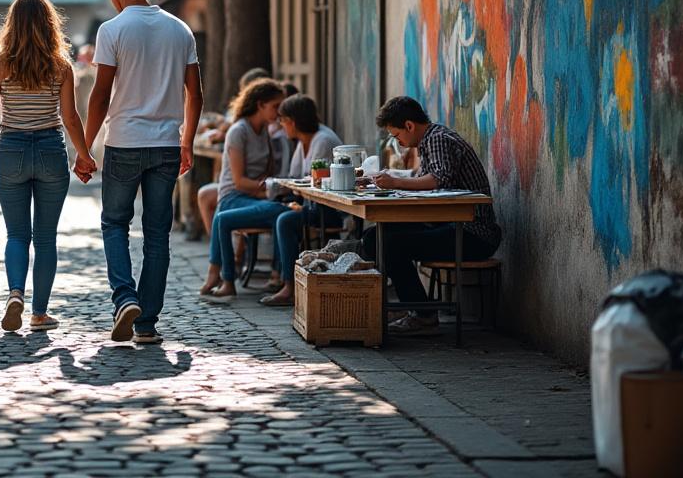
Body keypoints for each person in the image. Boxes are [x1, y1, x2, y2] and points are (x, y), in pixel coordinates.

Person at [0, 0, 97, 333]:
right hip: (51, 149)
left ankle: (15, 294)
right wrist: (83, 154)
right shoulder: (61, 64)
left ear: (12, 23)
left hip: (11, 150)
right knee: (47, 238)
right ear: (50, 23)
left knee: (17, 234)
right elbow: (70, 117)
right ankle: (39, 313)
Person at [85, 0, 202, 344]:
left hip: (124, 142)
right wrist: (187, 142)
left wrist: (84, 149)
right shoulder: (180, 29)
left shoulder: (112, 30)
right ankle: (147, 323)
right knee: (157, 235)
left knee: (115, 223)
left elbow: (100, 97)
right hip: (167, 144)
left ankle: (124, 297)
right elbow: (195, 94)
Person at [363, 95, 498, 335]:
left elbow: (437, 180)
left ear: (409, 126)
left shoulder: (437, 139)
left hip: (472, 234)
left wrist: (395, 182)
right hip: (450, 227)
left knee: (389, 243)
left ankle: (422, 314)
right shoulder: (429, 142)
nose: (399, 142)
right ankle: (412, 307)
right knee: (376, 236)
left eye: (397, 136)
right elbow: (425, 179)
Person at [198, 79, 291, 301]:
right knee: (280, 210)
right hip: (234, 197)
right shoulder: (238, 131)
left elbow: (266, 175)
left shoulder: (265, 132)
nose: (279, 112)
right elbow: (240, 182)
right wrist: (267, 189)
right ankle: (224, 277)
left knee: (282, 213)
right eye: (275, 106)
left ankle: (276, 276)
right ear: (260, 104)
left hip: (256, 197)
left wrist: (267, 189)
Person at [260, 94, 345, 307]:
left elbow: (314, 182)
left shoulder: (322, 140)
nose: (281, 125)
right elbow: (295, 178)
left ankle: (288, 285)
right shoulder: (302, 141)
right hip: (310, 203)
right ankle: (282, 277)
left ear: (293, 122)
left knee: (285, 220)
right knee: (280, 212)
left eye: (283, 120)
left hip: (329, 209)